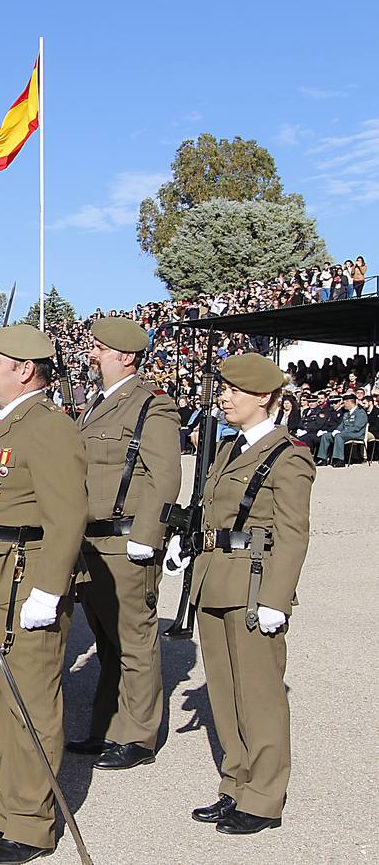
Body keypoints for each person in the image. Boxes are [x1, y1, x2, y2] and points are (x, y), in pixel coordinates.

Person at [0, 324, 87, 865]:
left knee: (30, 703)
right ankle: (8, 810)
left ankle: (31, 825)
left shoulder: (47, 427)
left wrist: (49, 590)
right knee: (2, 704)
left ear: (25, 369)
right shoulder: (3, 422)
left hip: (19, 585)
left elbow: (67, 516)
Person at [163, 353, 313, 835]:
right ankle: (236, 784)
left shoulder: (288, 456)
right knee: (225, 696)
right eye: (223, 389)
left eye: (234, 390)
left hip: (252, 586)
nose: (223, 398)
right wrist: (185, 544)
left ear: (264, 397)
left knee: (260, 696)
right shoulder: (227, 449)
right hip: (213, 579)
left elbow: (293, 534)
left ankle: (264, 798)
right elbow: (210, 511)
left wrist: (276, 598)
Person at [67, 318, 181, 771]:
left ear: (127, 356)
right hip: (90, 541)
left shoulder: (152, 406)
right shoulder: (95, 404)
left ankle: (138, 736)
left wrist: (148, 537)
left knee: (134, 640)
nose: (91, 354)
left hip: (125, 540)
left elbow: (165, 476)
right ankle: (107, 728)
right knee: (107, 641)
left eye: (100, 348)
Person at [316, 392, 366, 466]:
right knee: (326, 436)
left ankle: (339, 459)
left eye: (344, 402)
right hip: (344, 433)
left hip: (356, 434)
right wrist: (336, 430)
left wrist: (341, 432)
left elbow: (357, 427)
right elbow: (341, 425)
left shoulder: (360, 413)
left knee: (339, 436)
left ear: (350, 402)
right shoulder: (346, 413)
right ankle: (322, 458)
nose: (343, 404)